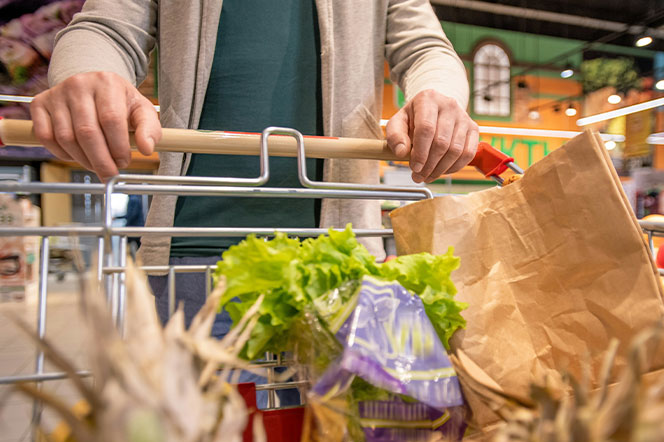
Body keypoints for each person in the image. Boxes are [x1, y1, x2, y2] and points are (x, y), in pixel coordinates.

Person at [31, 0, 478, 404]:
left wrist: (438, 95)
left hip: (345, 252)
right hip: (195, 253)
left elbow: (426, 48)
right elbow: (106, 28)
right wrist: (83, 74)